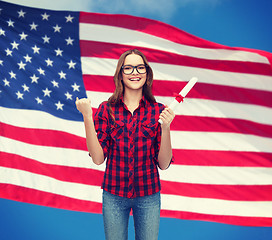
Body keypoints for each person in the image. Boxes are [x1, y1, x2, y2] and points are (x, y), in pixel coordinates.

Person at [75, 49, 175, 240]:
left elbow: (163, 164)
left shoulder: (159, 111)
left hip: (148, 195)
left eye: (139, 67)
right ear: (120, 74)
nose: (134, 72)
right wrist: (87, 117)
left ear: (147, 74)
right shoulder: (107, 109)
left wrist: (166, 128)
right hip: (113, 195)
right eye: (128, 68)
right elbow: (97, 159)